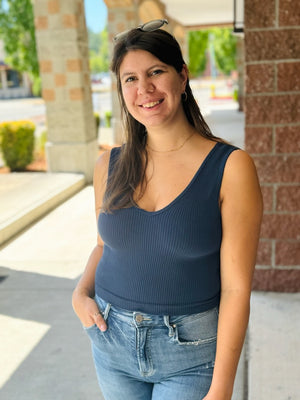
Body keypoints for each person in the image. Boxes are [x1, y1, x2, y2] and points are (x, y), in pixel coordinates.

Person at [72, 19, 263, 400]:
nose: (144, 89)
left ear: (182, 76)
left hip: (191, 354)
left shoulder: (230, 167)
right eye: (130, 79)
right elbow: (101, 246)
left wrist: (222, 387)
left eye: (156, 72)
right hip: (110, 342)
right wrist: (80, 293)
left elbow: (237, 288)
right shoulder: (108, 164)